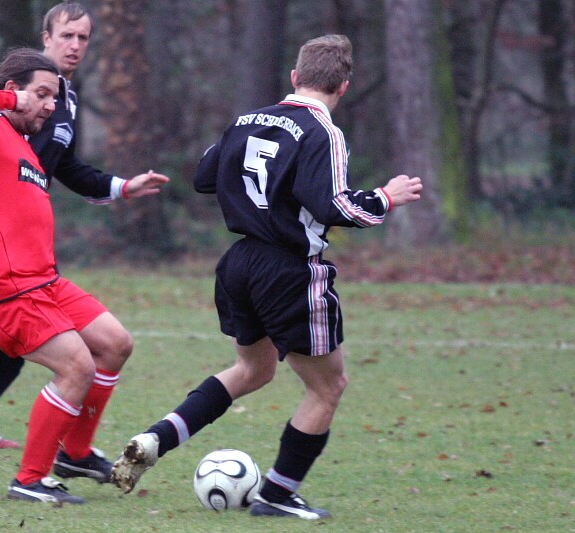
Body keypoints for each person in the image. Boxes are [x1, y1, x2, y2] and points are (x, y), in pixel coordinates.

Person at [110, 34, 423, 520]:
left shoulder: (247, 120)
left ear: (295, 77)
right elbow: (333, 206)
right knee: (327, 387)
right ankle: (277, 494)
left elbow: (204, 177)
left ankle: (156, 438)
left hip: (239, 265)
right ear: (343, 86)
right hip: (289, 269)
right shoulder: (324, 132)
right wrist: (385, 197)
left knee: (252, 371)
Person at [0, 0, 168, 486]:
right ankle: (28, 475)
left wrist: (121, 187)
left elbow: (67, 168)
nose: (76, 45)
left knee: (114, 344)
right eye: (67, 35)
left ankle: (53, 446)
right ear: (46, 37)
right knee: (72, 363)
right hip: (5, 274)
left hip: (37, 268)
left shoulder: (54, 108)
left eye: (84, 37)